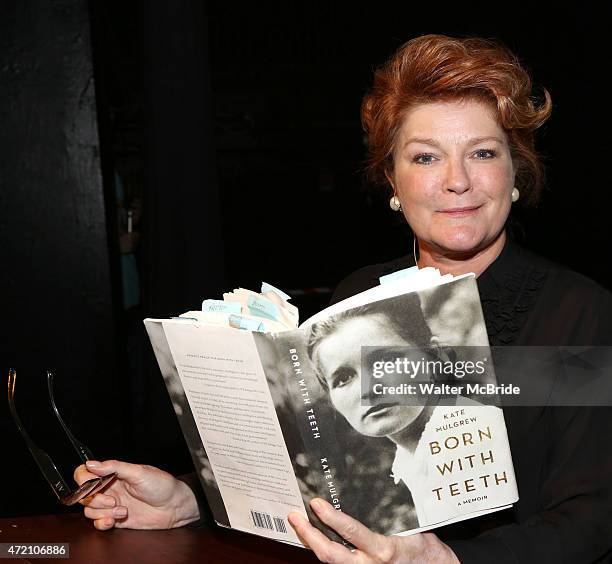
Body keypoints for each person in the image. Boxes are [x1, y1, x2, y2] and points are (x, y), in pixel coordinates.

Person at [75, 34, 612, 563]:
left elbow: (592, 519)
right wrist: (188, 498)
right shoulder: (359, 296)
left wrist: (449, 562)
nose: (457, 181)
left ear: (516, 171)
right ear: (392, 181)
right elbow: (315, 470)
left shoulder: (579, 312)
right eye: (426, 157)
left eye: (483, 153)